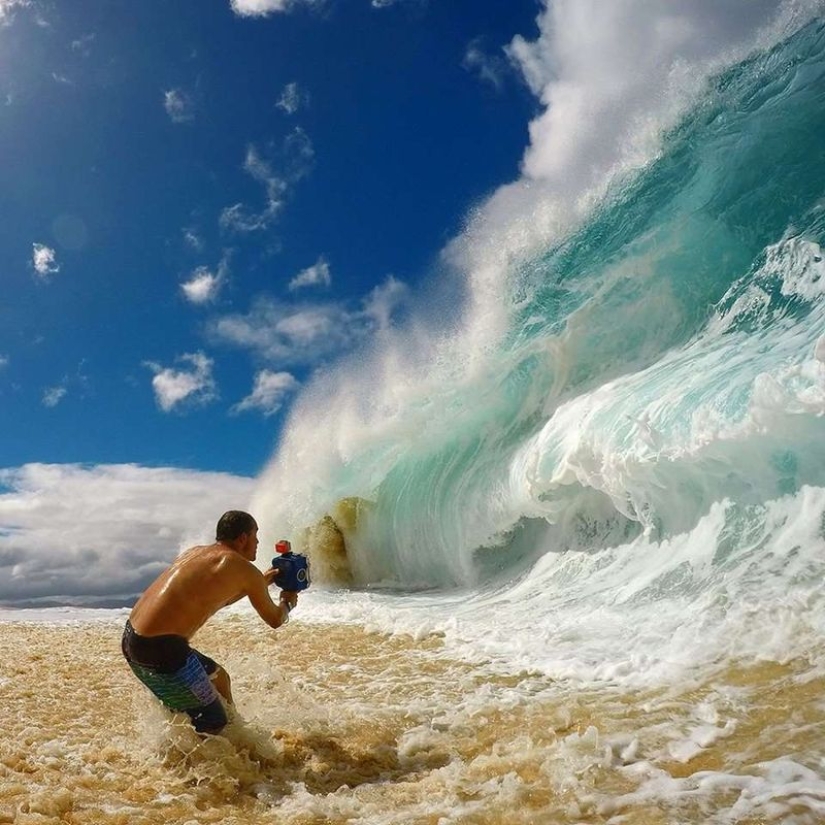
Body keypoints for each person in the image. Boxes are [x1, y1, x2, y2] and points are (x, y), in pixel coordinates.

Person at [121, 510, 298, 734]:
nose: (258, 542)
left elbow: (213, 598)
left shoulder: (195, 552)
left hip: (132, 640)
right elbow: (275, 619)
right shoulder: (244, 569)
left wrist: (260, 583)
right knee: (214, 723)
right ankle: (214, 759)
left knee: (219, 678)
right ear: (243, 538)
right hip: (162, 649)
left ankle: (234, 738)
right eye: (256, 535)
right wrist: (287, 601)